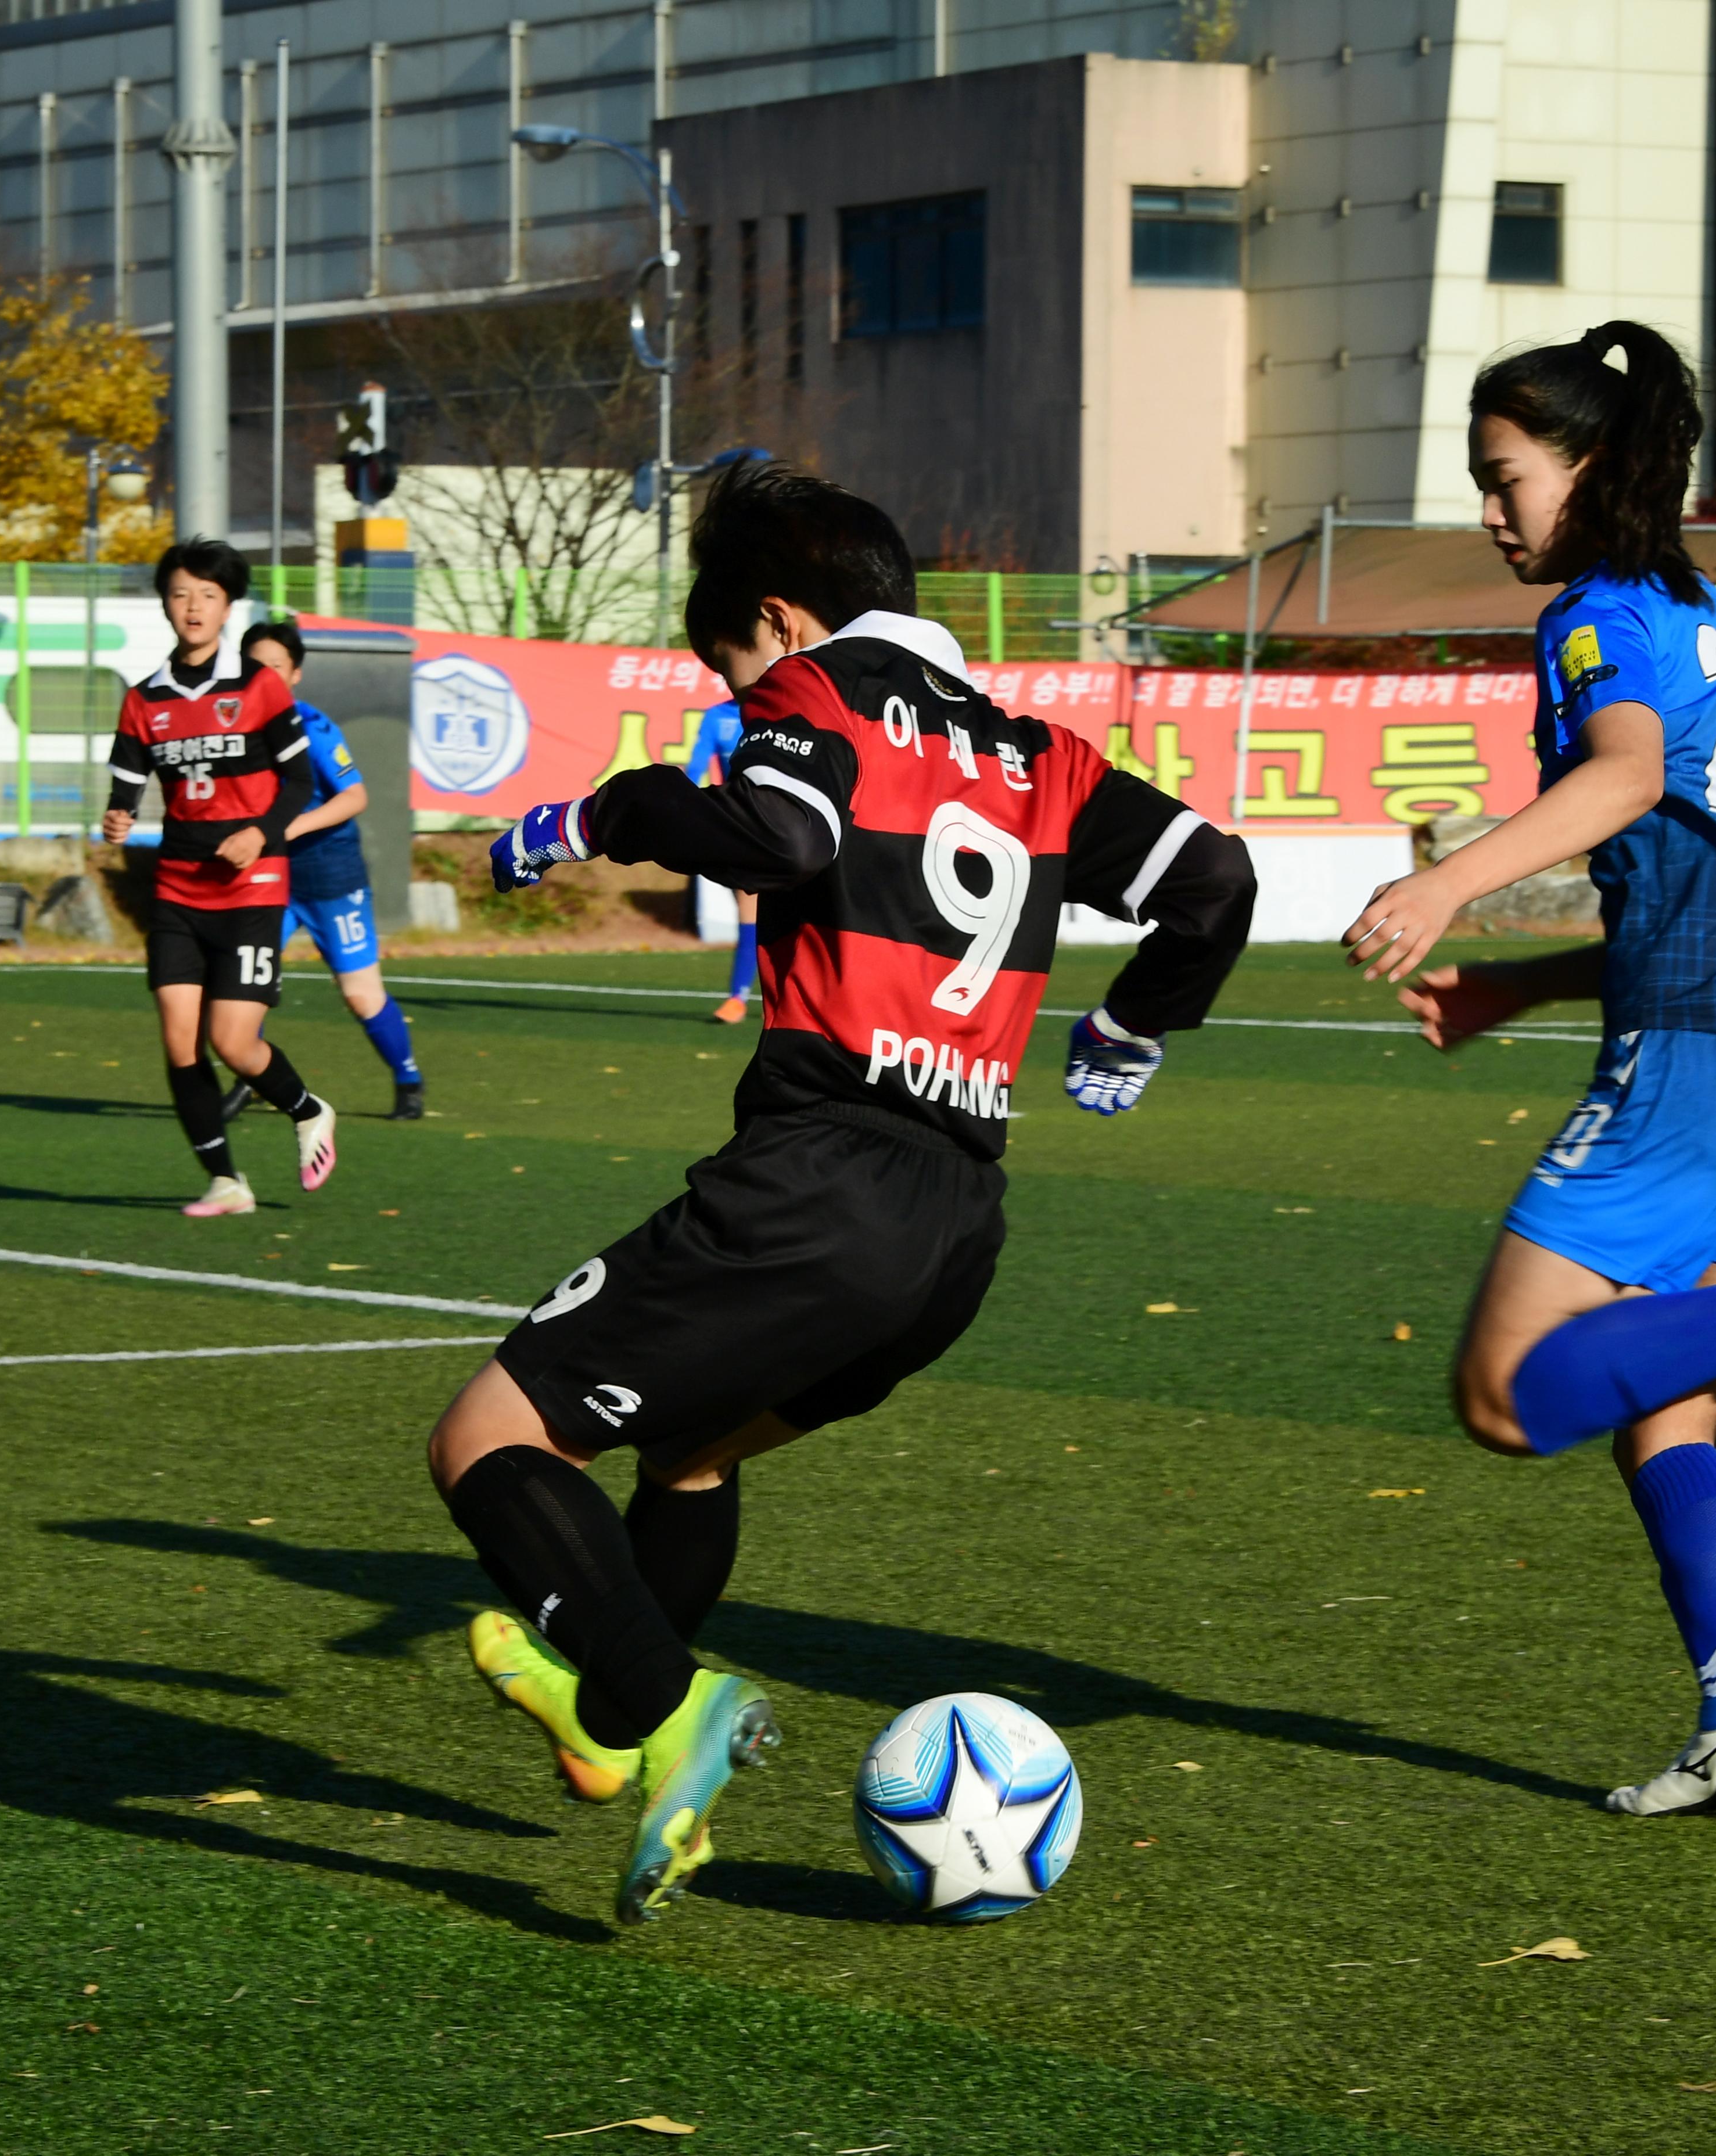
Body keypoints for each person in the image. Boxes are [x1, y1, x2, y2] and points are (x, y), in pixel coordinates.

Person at [429, 459, 1255, 1925]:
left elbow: (784, 836)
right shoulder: (1038, 755)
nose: (737, 698)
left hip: (817, 1182)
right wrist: (1133, 1022)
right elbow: (1218, 885)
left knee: (485, 1434)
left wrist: (602, 813)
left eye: (730, 667)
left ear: (779, 620)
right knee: (682, 1453)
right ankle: (611, 1730)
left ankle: (664, 1705)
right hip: (955, 1232)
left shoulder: (813, 698)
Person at [1341, 322, 1716, 1821]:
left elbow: (1622, 779)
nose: (1492, 514)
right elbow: (1713, 875)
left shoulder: (1599, 616)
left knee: (1502, 1392)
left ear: (1591, 468)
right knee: (1664, 1423)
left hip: (1707, 1072)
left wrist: (1448, 888)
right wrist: (1525, 988)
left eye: (1505, 480)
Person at [100, 540, 335, 1216]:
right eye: (181, 593)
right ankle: (227, 1182)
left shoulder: (259, 687)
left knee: (233, 1043)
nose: (193, 606)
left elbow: (299, 781)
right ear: (166, 604)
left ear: (228, 606)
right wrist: (118, 818)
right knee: (179, 1037)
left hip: (253, 890)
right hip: (178, 889)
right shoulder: (144, 699)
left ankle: (308, 1108)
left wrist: (260, 833)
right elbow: (125, 786)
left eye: (208, 594)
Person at [217, 617, 425, 1122]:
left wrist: (286, 828)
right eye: (253, 666)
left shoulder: (314, 728)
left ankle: (408, 1080)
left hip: (331, 879)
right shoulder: (231, 730)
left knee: (359, 994)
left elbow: (356, 797)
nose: (263, 675)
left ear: (294, 675)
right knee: (244, 989)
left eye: (274, 666)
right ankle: (252, 1079)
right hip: (268, 880)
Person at [684, 693, 763, 1022]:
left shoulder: (785, 704)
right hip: (748, 822)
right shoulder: (718, 716)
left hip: (799, 822)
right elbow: (696, 769)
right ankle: (737, 998)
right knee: (750, 902)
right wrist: (683, 809)